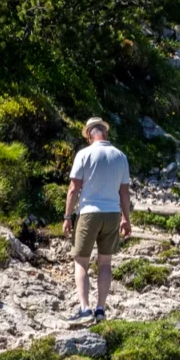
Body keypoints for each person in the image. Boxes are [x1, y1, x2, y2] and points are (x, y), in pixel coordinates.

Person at [64, 117, 132, 324]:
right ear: (105, 133)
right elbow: (124, 192)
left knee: (81, 261)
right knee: (105, 263)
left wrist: (67, 216)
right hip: (112, 214)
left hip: (88, 213)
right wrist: (126, 219)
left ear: (89, 135)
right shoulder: (120, 156)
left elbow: (74, 188)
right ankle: (101, 308)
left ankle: (85, 308)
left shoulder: (84, 154)